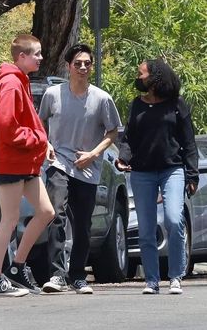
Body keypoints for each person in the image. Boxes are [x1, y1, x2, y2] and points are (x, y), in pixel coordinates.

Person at [39, 43, 121, 294]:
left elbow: (113, 131)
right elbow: (39, 124)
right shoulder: (53, 95)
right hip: (58, 163)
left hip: (87, 168)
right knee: (56, 214)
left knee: (83, 223)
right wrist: (46, 146)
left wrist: (94, 154)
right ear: (68, 67)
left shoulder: (102, 98)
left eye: (87, 63)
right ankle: (56, 275)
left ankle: (78, 276)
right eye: (78, 63)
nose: (83, 67)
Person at [116, 58, 199, 295]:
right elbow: (129, 139)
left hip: (171, 170)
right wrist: (123, 158)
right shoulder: (137, 104)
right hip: (142, 172)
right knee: (146, 228)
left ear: (155, 78)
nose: (138, 77)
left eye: (141, 73)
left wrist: (192, 176)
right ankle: (151, 280)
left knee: (174, 219)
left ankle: (175, 276)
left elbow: (188, 142)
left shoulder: (176, 104)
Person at [0, 34, 55, 297]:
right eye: (35, 54)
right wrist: (37, 138)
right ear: (21, 57)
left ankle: (17, 268)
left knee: (46, 211)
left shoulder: (20, 81)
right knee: (10, 219)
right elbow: (6, 128)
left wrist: (42, 143)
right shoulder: (12, 83)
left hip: (24, 160)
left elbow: (25, 123)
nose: (40, 58)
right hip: (10, 160)